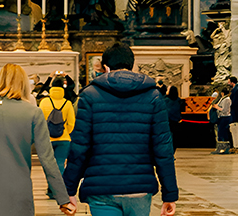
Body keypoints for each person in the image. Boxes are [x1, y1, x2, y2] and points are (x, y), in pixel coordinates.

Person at [62, 43, 178, 216]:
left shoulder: (89, 95)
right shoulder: (153, 96)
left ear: (106, 67)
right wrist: (170, 194)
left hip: (101, 187)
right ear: (132, 65)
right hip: (139, 187)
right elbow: (163, 149)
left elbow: (80, 146)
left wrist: (68, 190)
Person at [0, 63, 73, 216]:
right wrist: (63, 199)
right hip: (20, 190)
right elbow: (47, 159)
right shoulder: (33, 113)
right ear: (23, 83)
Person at [39, 80, 76, 172]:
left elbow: (40, 120)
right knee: (60, 162)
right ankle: (60, 184)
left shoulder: (44, 102)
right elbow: (72, 123)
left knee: (48, 164)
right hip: (64, 139)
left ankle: (51, 184)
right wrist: (66, 132)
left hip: (47, 139)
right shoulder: (67, 103)